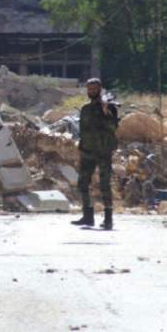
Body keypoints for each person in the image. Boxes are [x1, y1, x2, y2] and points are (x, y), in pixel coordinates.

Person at [72, 78, 119, 230]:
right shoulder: (85, 109)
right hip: (87, 152)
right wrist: (81, 149)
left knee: (104, 185)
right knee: (83, 184)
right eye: (89, 89)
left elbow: (113, 127)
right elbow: (83, 132)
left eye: (94, 89)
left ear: (100, 89)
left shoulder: (109, 107)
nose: (91, 92)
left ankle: (108, 219)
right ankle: (88, 216)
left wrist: (106, 112)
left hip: (104, 152)